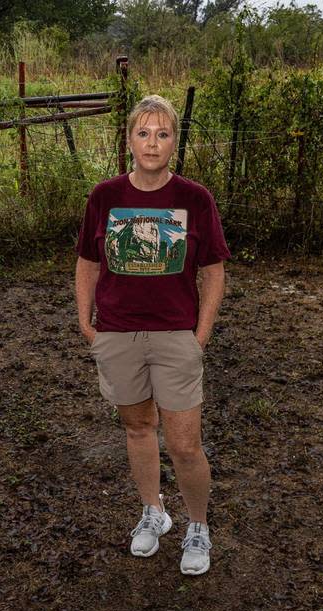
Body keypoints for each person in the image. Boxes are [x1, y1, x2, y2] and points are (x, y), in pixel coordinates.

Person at [74, 95, 230, 576]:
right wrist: (88, 325)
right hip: (118, 336)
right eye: (143, 133)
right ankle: (153, 511)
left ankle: (197, 527)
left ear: (174, 143)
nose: (152, 143)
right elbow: (87, 263)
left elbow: (215, 271)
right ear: (129, 140)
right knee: (138, 429)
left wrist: (199, 334)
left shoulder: (194, 199)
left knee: (185, 444)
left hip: (175, 336)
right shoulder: (104, 197)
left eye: (162, 134)